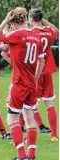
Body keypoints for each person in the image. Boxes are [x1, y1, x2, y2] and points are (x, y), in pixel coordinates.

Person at [0, 7, 45, 160]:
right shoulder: (37, 36)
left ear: (13, 22)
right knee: (29, 118)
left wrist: (5, 21)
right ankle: (31, 154)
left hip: (19, 83)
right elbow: (41, 61)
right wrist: (35, 79)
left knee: (12, 118)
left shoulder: (15, 35)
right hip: (31, 84)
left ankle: (21, 156)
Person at [29, 8, 59, 141]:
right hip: (47, 71)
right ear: (41, 19)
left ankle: (27, 136)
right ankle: (53, 135)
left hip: (35, 71)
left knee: (27, 103)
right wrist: (44, 21)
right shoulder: (49, 31)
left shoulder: (31, 33)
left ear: (30, 19)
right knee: (49, 103)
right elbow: (57, 30)